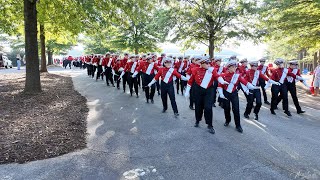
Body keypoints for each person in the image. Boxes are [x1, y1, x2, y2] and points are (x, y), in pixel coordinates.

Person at [185, 57, 229, 134]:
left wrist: (222, 81)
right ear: (202, 64)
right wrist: (187, 91)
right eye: (207, 63)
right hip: (198, 90)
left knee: (208, 107)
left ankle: (210, 125)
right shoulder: (195, 70)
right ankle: (197, 120)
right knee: (198, 106)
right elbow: (191, 80)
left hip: (209, 90)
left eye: (209, 63)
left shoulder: (212, 70)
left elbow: (217, 76)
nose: (209, 64)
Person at [217, 60, 259, 133]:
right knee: (226, 108)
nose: (234, 68)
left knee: (236, 109)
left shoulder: (237, 76)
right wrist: (221, 94)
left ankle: (238, 125)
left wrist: (252, 87)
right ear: (228, 68)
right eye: (232, 67)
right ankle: (227, 120)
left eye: (235, 67)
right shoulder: (223, 75)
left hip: (234, 94)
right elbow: (220, 86)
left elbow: (244, 82)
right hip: (225, 94)